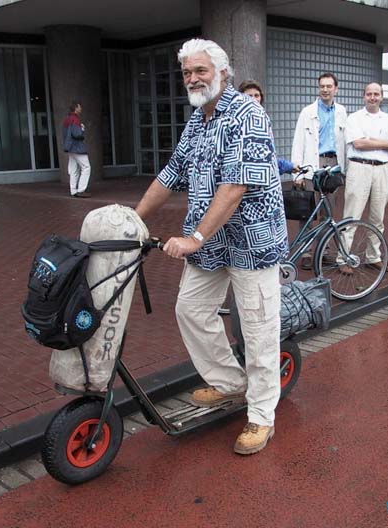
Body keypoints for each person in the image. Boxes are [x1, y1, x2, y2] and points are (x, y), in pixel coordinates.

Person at [135, 39, 287, 455]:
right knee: (191, 309)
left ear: (223, 72)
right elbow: (171, 173)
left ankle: (261, 415)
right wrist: (133, 219)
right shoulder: (198, 119)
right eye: (186, 72)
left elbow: (236, 186)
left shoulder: (248, 115)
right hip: (212, 242)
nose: (192, 78)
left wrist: (194, 238)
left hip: (251, 242)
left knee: (257, 329)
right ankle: (231, 384)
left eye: (200, 70)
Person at [342, 82, 388, 273]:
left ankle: (373, 256)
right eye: (369, 94)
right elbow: (358, 144)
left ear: (382, 97)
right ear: (364, 96)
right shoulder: (354, 118)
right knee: (351, 215)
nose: (373, 97)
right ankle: (343, 258)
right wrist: (384, 144)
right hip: (360, 167)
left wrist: (371, 141)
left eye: (376, 94)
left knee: (378, 217)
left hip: (383, 169)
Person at [290, 73, 347, 268]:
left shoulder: (341, 111)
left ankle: (323, 250)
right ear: (318, 88)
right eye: (322, 86)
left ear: (336, 89)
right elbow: (298, 141)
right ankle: (305, 252)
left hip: (332, 164)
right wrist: (296, 173)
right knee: (307, 210)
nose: (325, 89)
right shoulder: (307, 112)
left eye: (329, 86)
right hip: (312, 164)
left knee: (328, 211)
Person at [237, 79, 299, 176]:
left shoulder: (262, 119)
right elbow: (259, 159)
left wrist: (288, 166)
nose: (253, 99)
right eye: (249, 96)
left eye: (256, 95)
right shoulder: (241, 122)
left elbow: (267, 154)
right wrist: (286, 166)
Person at [62, 101, 91, 198]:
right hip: (77, 147)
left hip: (70, 148)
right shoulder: (75, 119)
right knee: (86, 167)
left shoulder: (67, 120)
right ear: (76, 108)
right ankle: (81, 190)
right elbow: (77, 134)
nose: (81, 109)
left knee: (74, 169)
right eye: (79, 107)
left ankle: (73, 190)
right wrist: (82, 129)